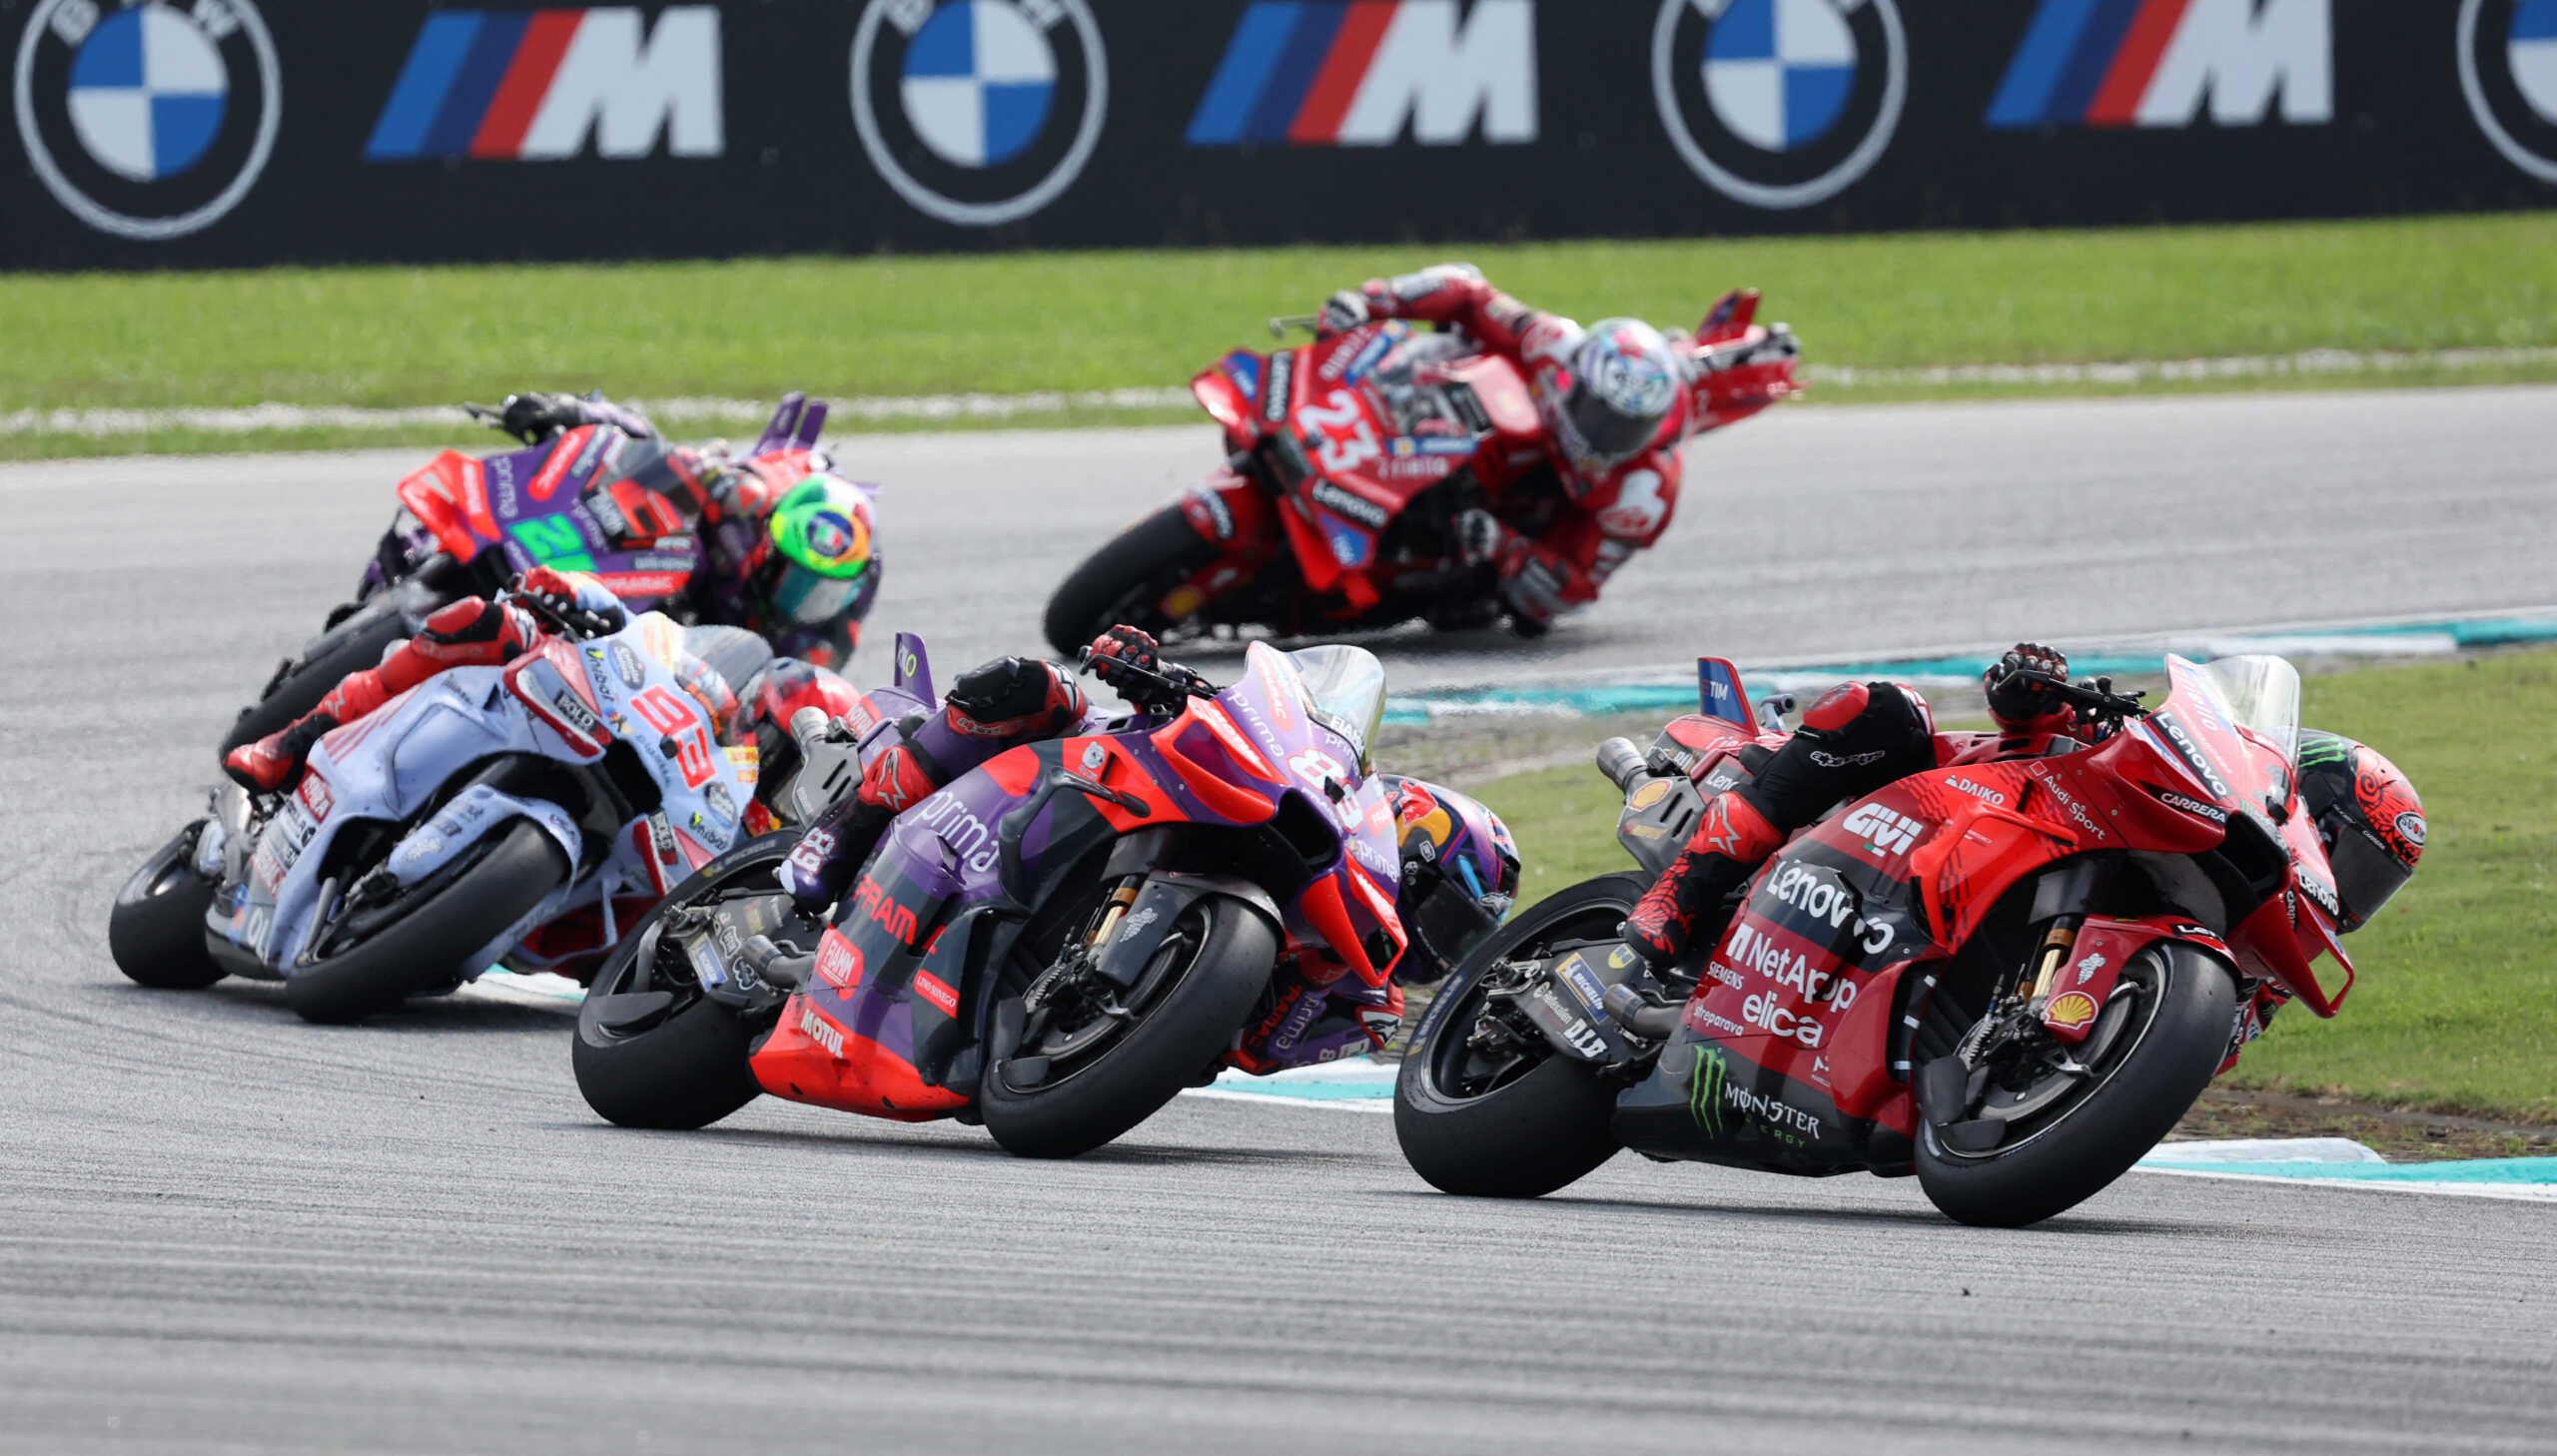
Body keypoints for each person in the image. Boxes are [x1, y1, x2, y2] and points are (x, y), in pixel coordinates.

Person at [1619, 644, 2427, 1014]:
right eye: (2349, 852)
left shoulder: (2246, 988)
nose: (2348, 889)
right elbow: (2026, 724)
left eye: (2373, 882)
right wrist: (2037, 692)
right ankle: (1676, 900)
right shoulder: (2163, 782)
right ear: (2299, 803)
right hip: (1916, 804)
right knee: (1881, 707)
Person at [775, 627, 1518, 995]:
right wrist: (1155, 671)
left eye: (1459, 942)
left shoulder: (1353, 997)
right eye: (1449, 920)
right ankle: (849, 833)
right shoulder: (1324, 786)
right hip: (1094, 763)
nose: (1439, 949)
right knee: (1033, 686)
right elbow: (1245, 718)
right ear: (1416, 840)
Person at [1313, 264, 1756, 634]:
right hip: (1460, 424)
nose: (1604, 435)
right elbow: (1469, 290)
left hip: (1506, 523)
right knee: (1460, 341)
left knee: (1515, 609)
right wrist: (1371, 300)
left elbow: (1573, 590)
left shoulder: (1642, 495)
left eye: (1623, 430)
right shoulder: (1554, 344)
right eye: (1598, 414)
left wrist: (1503, 545)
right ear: (1576, 379)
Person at [224, 566, 745, 794]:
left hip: (633, 777)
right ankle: (291, 744)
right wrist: (568, 590)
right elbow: (620, 620)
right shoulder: (680, 649)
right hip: (582, 692)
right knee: (479, 619)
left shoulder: (745, 799)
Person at [481, 391, 881, 668]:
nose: (802, 603)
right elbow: (658, 452)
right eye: (796, 581)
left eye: (822, 593)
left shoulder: (821, 642)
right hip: (653, 587)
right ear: (769, 549)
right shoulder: (747, 505)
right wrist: (573, 413)